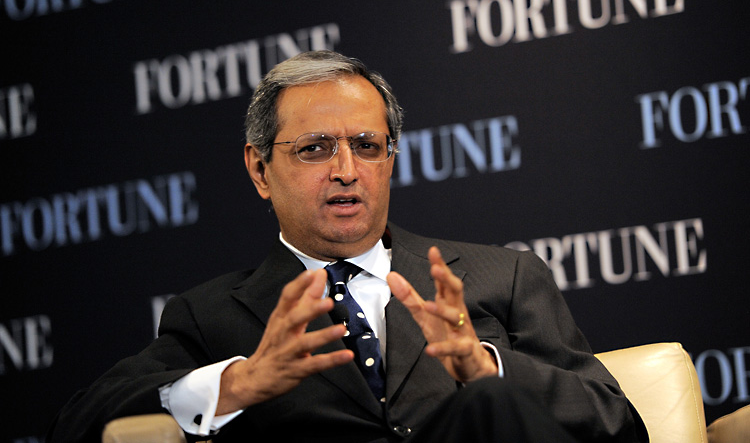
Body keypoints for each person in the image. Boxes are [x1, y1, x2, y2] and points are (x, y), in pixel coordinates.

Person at [48, 50, 648, 442]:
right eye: (314, 149)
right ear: (259, 170)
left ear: (390, 160)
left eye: (367, 146)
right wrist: (237, 385)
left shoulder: (504, 277)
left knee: (490, 405)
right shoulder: (211, 315)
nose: (346, 170)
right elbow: (77, 424)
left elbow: (621, 425)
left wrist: (486, 367)